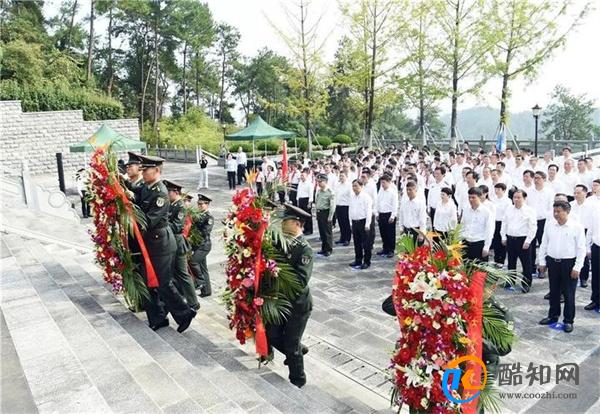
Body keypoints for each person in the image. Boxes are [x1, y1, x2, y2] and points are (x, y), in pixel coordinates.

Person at [131, 154, 196, 333]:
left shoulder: (160, 192)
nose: (142, 173)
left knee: (163, 282)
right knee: (148, 282)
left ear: (157, 171)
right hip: (149, 243)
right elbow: (133, 190)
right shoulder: (147, 187)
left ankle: (185, 312)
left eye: (146, 170)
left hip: (161, 243)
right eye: (142, 170)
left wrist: (130, 219)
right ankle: (158, 318)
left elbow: (149, 221)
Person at [266, 204, 313, 388]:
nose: (283, 225)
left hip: (298, 304)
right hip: (282, 301)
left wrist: (279, 274)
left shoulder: (304, 249)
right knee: (273, 334)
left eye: (285, 222)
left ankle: (298, 380)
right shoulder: (282, 240)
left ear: (296, 224)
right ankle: (299, 351)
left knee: (291, 344)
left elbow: (301, 281)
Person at [538, 201, 586, 333]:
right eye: (554, 211)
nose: (556, 214)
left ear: (567, 212)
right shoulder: (550, 225)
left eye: (559, 211)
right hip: (553, 262)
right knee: (554, 291)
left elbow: (581, 249)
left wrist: (577, 267)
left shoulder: (576, 227)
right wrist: (542, 261)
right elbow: (544, 244)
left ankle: (568, 320)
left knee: (569, 293)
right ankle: (553, 316)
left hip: (569, 264)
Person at [164, 179, 200, 311]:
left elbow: (177, 226)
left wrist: (162, 223)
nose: (167, 194)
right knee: (175, 273)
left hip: (178, 243)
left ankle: (193, 302)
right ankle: (182, 298)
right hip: (170, 242)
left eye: (168, 191)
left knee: (183, 273)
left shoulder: (180, 207)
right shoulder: (171, 204)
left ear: (175, 192)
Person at [500, 189, 537, 293]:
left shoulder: (530, 210)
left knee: (526, 264)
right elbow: (504, 223)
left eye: (519, 197)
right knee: (511, 262)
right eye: (514, 197)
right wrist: (503, 236)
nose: (516, 199)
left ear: (524, 198)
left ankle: (526, 283)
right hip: (510, 239)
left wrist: (528, 240)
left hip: (523, 240)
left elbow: (533, 227)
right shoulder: (509, 209)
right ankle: (510, 281)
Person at [188, 194, 214, 298]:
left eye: (201, 204)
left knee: (193, 262)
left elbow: (205, 231)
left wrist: (194, 234)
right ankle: (206, 291)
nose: (199, 206)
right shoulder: (197, 215)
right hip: (198, 245)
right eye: (198, 204)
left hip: (204, 245)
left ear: (207, 205)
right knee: (203, 268)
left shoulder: (209, 217)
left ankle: (200, 281)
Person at [461, 187, 494, 262]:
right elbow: (462, 226)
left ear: (479, 197)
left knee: (479, 271)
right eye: (469, 197)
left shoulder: (486, 212)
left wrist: (486, 247)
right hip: (466, 243)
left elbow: (489, 230)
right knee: (466, 269)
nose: (471, 200)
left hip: (479, 244)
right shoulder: (466, 209)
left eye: (473, 197)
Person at [570, 184, 592, 288]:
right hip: (572, 230)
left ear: (585, 193)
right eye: (575, 193)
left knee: (583, 254)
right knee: (572, 253)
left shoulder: (591, 206)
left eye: (578, 193)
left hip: (586, 230)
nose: (576, 195)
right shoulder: (570, 205)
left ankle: (584, 278)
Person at [349, 179, 373, 269]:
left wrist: (367, 224)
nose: (354, 188)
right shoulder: (352, 197)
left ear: (361, 186)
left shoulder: (366, 197)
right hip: (355, 222)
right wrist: (351, 222)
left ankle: (367, 261)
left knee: (366, 243)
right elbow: (350, 210)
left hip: (363, 222)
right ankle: (358, 259)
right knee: (357, 243)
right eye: (353, 186)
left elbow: (368, 212)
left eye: (356, 186)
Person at [585, 183, 600, 311]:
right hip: (597, 247)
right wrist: (588, 248)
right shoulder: (596, 211)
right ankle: (595, 300)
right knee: (596, 275)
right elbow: (590, 230)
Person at [376, 174, 399, 257]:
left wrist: (393, 216)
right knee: (383, 233)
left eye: (384, 182)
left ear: (389, 182)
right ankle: (385, 248)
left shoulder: (393, 192)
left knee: (390, 233)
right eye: (381, 182)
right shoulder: (380, 191)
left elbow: (395, 205)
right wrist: (377, 213)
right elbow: (377, 202)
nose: (382, 184)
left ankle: (391, 250)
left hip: (389, 214)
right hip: (381, 214)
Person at [399, 180, 427, 245]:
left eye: (410, 190)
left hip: (416, 231)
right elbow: (401, 216)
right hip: (406, 231)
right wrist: (401, 228)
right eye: (407, 190)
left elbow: (422, 220)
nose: (408, 192)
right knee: (407, 253)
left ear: (416, 190)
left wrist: (421, 234)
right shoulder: (404, 203)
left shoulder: (420, 203)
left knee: (416, 253)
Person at [314, 173, 335, 257]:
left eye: (320, 181)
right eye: (318, 182)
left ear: (325, 181)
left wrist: (330, 217)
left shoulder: (330, 192)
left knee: (327, 233)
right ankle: (323, 248)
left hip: (326, 213)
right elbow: (317, 202)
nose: (319, 183)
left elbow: (332, 206)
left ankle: (328, 249)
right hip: (320, 213)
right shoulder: (319, 191)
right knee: (322, 232)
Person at [491, 183, 511, 266]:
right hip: (494, 222)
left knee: (502, 242)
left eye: (499, 189)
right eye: (495, 189)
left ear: (503, 190)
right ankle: (496, 259)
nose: (496, 191)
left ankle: (501, 261)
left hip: (503, 222)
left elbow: (507, 214)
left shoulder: (508, 201)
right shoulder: (492, 199)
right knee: (495, 242)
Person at [334, 171, 352, 246]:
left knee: (346, 223)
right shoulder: (338, 185)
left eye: (342, 176)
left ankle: (347, 239)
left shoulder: (349, 185)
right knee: (341, 223)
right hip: (338, 205)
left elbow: (351, 197)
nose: (341, 177)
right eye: (340, 176)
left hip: (346, 206)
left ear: (346, 177)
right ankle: (342, 238)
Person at [297, 168, 314, 235]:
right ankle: (305, 228)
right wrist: (298, 200)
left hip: (307, 200)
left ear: (306, 176)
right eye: (301, 176)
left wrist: (310, 202)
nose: (301, 177)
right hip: (301, 200)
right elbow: (298, 192)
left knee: (308, 216)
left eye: (303, 176)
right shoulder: (300, 183)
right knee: (302, 216)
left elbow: (311, 194)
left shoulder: (309, 184)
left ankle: (309, 229)